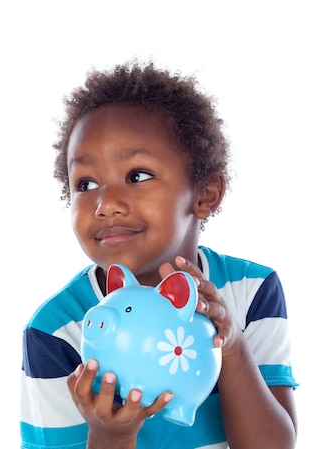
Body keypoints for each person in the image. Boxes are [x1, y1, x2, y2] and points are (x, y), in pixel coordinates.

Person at [20, 59, 298, 449]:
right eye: (86, 182)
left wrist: (231, 343)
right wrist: (109, 435)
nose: (106, 204)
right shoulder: (56, 331)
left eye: (137, 176)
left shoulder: (252, 291)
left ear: (205, 193)